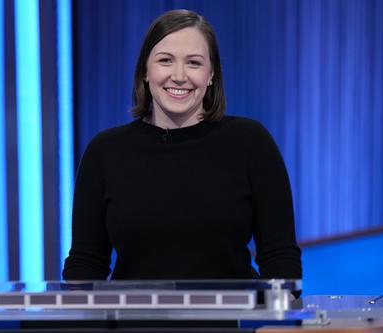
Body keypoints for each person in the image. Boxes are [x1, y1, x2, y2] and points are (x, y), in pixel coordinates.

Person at [63, 9, 302, 281]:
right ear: (145, 70)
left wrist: (276, 319)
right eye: (165, 60)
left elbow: (280, 259)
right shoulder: (105, 151)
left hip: (230, 320)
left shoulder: (251, 142)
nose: (179, 75)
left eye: (194, 63)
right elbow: (86, 263)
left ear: (211, 74)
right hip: (135, 320)